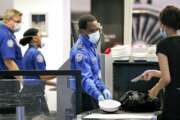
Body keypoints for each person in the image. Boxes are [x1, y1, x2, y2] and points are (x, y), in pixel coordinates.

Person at [139, 5, 180, 120]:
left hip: (174, 99)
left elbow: (167, 78)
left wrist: (154, 90)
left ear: (162, 23)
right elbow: (175, 71)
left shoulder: (163, 44)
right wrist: (153, 72)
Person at [70, 14, 112, 108]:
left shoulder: (91, 46)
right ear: (82, 31)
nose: (96, 33)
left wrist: (103, 88)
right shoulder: (80, 51)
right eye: (92, 31)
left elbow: (96, 74)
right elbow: (85, 78)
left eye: (97, 29)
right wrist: (98, 94)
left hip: (92, 94)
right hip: (83, 97)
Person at [19, 28, 56, 116]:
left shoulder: (27, 53)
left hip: (27, 93)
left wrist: (55, 84)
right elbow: (42, 76)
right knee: (43, 117)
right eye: (40, 36)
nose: (41, 39)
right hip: (34, 95)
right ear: (35, 38)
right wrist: (61, 72)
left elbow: (36, 78)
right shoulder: (36, 54)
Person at [0, 9, 23, 114]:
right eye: (17, 21)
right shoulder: (6, 35)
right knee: (9, 114)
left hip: (4, 81)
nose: (19, 24)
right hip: (7, 81)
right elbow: (8, 61)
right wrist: (22, 80)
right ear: (8, 20)